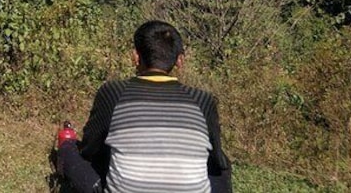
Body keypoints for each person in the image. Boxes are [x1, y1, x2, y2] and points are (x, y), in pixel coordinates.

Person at [57, 20, 232, 193]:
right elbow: (216, 159)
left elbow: (89, 148)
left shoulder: (114, 92)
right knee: (223, 167)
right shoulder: (202, 99)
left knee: (74, 153)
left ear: (136, 56)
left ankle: (65, 143)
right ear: (180, 60)